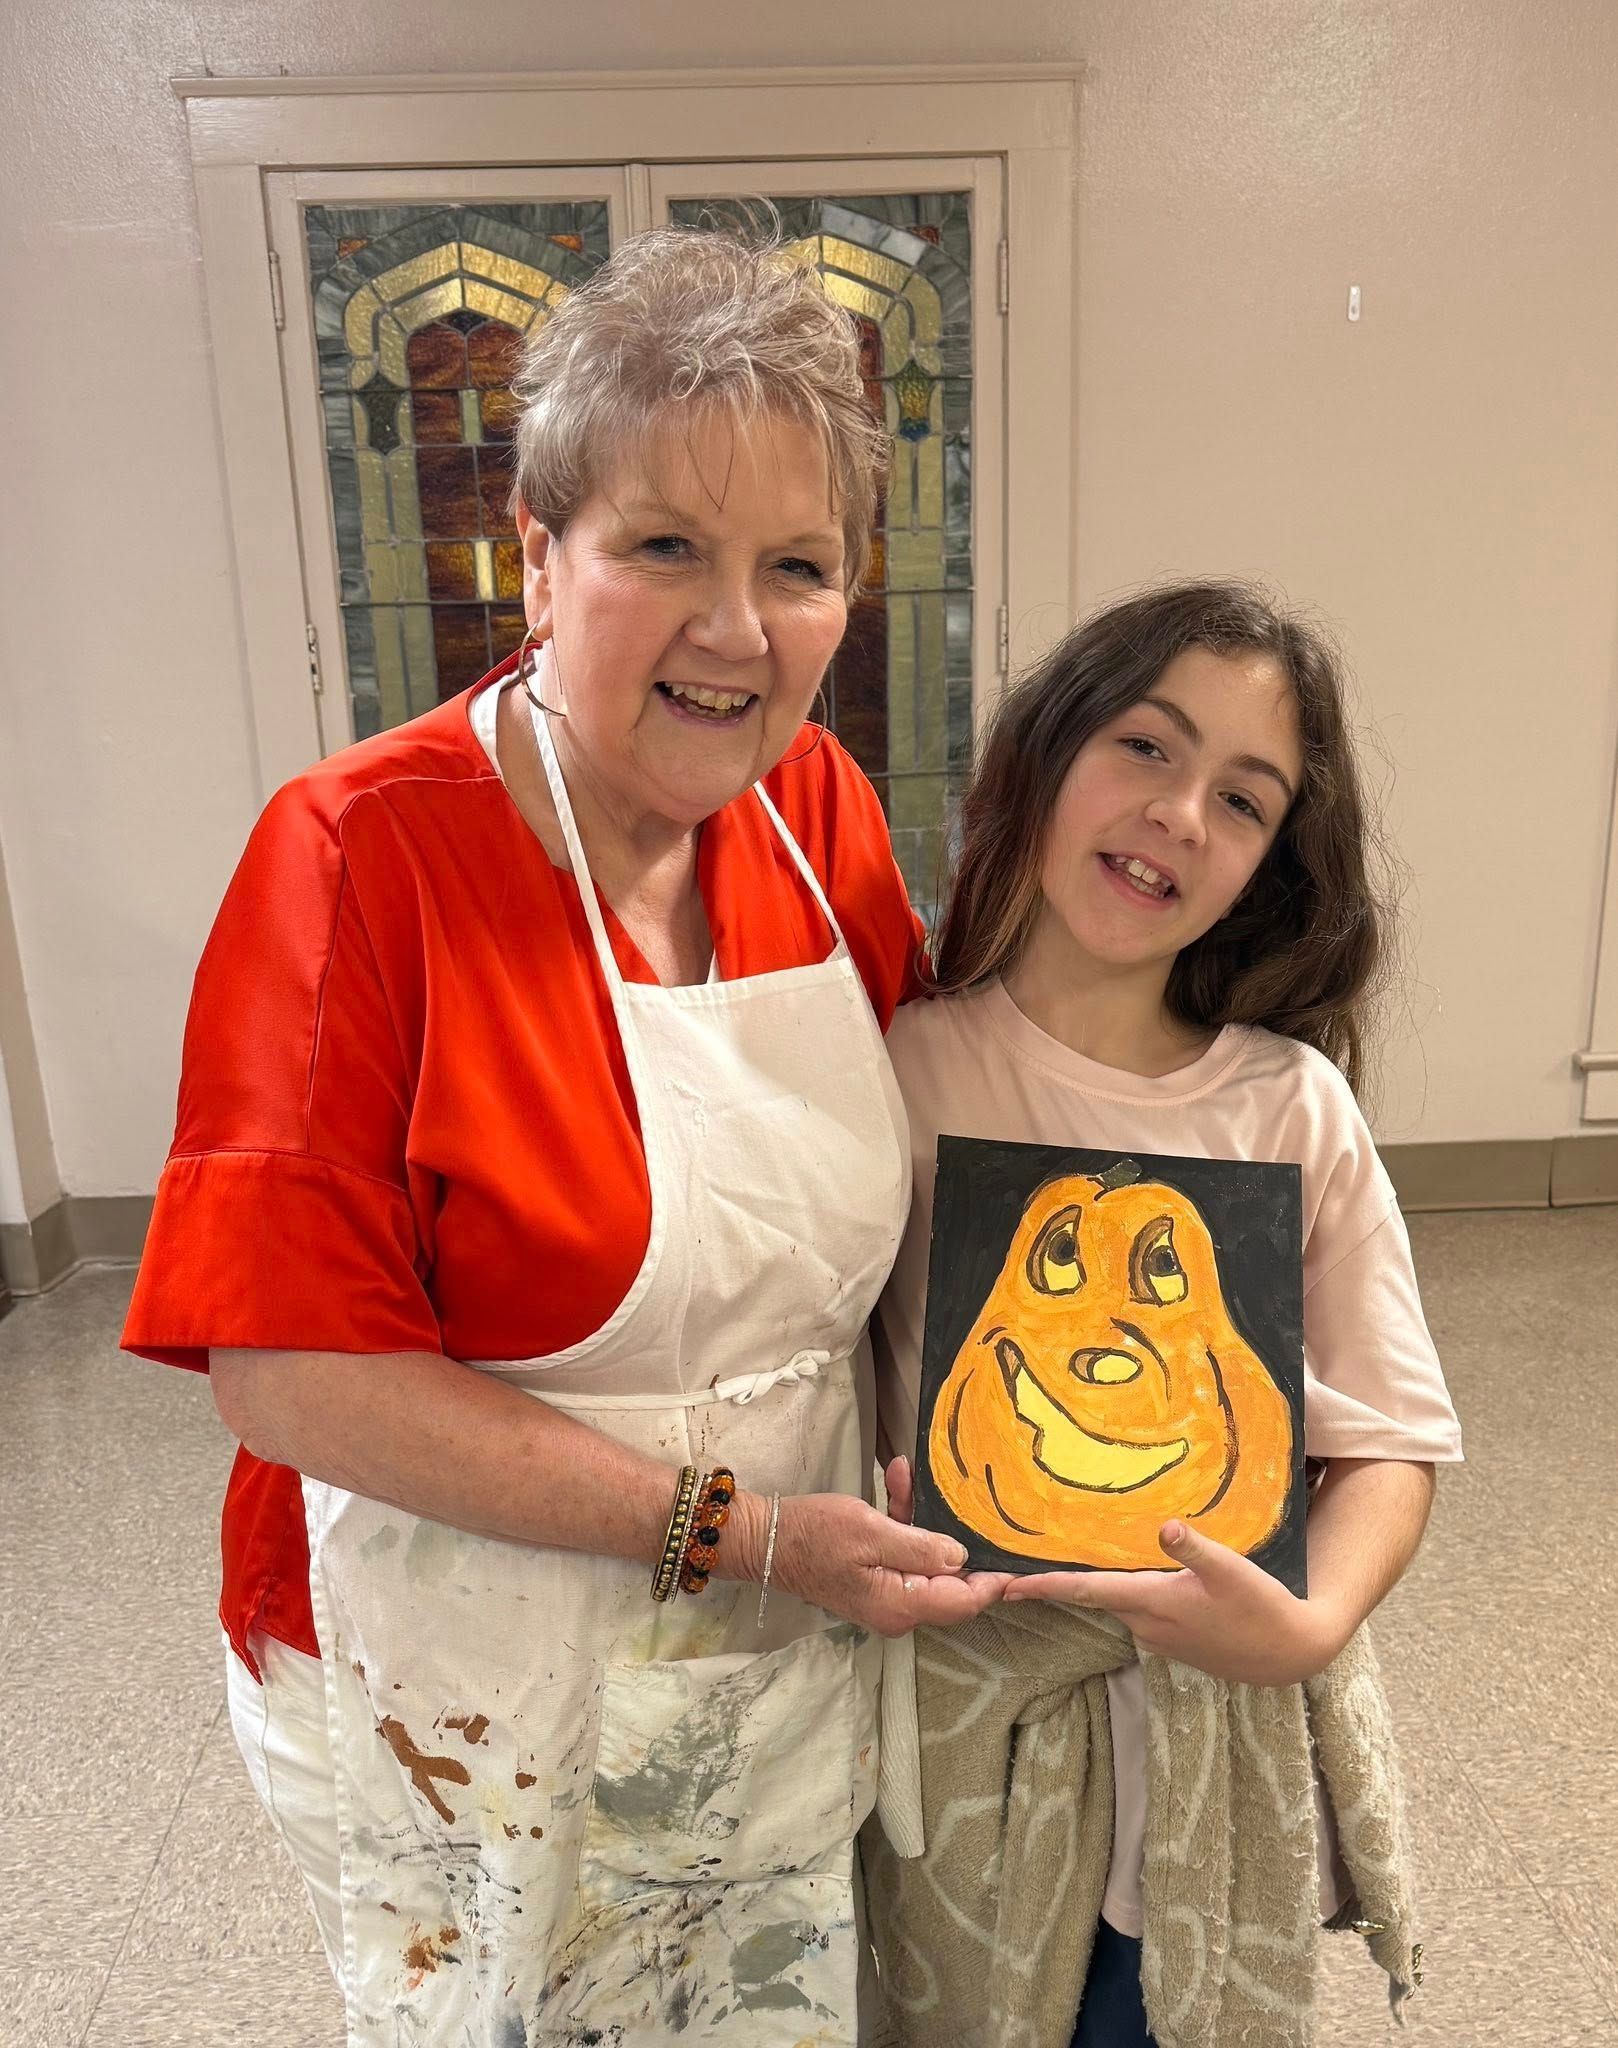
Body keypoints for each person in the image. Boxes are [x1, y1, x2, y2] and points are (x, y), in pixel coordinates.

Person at [122, 227, 1001, 2046]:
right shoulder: (362, 855)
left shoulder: (812, 814)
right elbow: (294, 1377)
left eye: (799, 566)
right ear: (537, 558)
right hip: (468, 1677)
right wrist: (736, 1531)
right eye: (663, 546)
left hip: (764, 1639)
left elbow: (947, 1150)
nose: (736, 630)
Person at [863, 582, 1463, 2048]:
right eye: (1145, 746)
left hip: (1210, 1752)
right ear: (1048, 754)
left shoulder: (1284, 1105)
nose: (1180, 814)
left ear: (1267, 864)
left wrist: (1308, 1625)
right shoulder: (897, 1067)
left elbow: (1387, 1440)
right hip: (961, 1747)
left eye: (1242, 799)